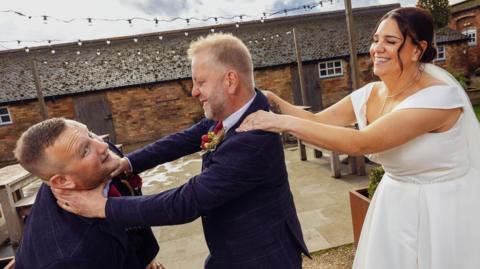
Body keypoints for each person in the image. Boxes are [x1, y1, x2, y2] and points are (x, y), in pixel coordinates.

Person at [237, 7, 480, 269]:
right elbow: (318, 121)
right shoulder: (371, 93)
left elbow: (361, 142)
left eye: (391, 41)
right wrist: (273, 99)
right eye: (376, 39)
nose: (377, 48)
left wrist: (280, 122)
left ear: (417, 50)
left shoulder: (438, 99)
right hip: (394, 203)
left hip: (442, 207)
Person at [53, 33, 310, 269]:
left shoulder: (253, 141)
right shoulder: (235, 110)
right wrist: (127, 163)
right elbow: (183, 139)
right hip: (232, 245)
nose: (194, 92)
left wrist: (103, 207)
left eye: (200, 82)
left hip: (260, 255)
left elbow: (185, 202)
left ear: (230, 81)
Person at [13, 118, 162, 269]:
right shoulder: (74, 257)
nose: (103, 145)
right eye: (85, 151)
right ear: (62, 181)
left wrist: (147, 258)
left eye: (90, 134)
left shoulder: (101, 160)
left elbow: (131, 196)